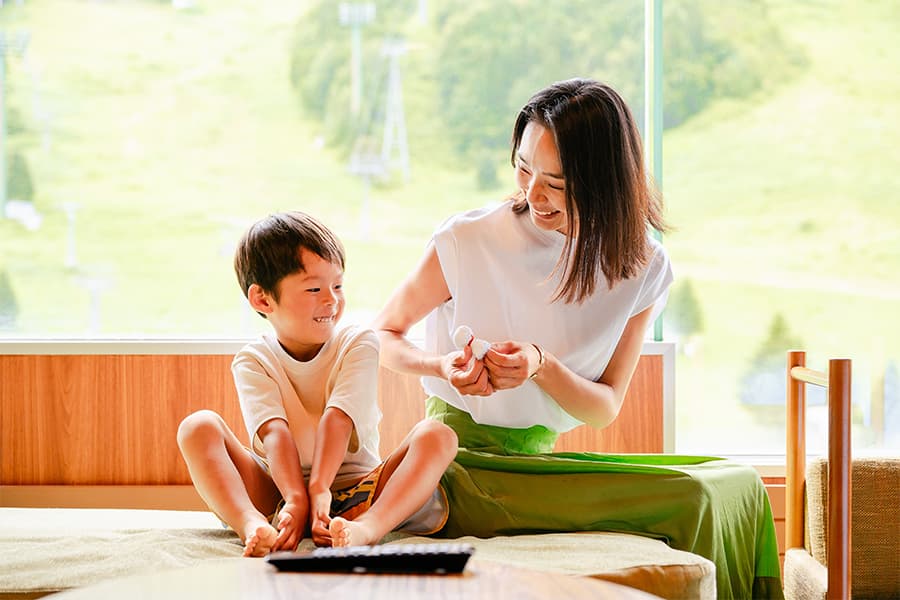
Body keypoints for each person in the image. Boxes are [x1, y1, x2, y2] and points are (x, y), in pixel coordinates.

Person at [373, 79, 783, 599]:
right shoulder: (468, 239)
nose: (532, 195)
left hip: (537, 468)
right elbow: (383, 336)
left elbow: (604, 406)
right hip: (457, 469)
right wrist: (440, 366)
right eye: (524, 169)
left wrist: (542, 366)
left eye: (557, 182)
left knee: (738, 482)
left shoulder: (643, 267)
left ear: (603, 180)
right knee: (695, 495)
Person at [177, 211, 457, 556]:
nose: (332, 300)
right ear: (262, 300)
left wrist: (320, 488)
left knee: (438, 435)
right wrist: (296, 497)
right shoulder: (253, 360)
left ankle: (366, 528)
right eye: (313, 288)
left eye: (337, 285)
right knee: (197, 427)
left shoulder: (359, 342)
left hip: (358, 487)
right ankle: (253, 525)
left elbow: (337, 419)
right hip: (281, 491)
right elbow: (275, 434)